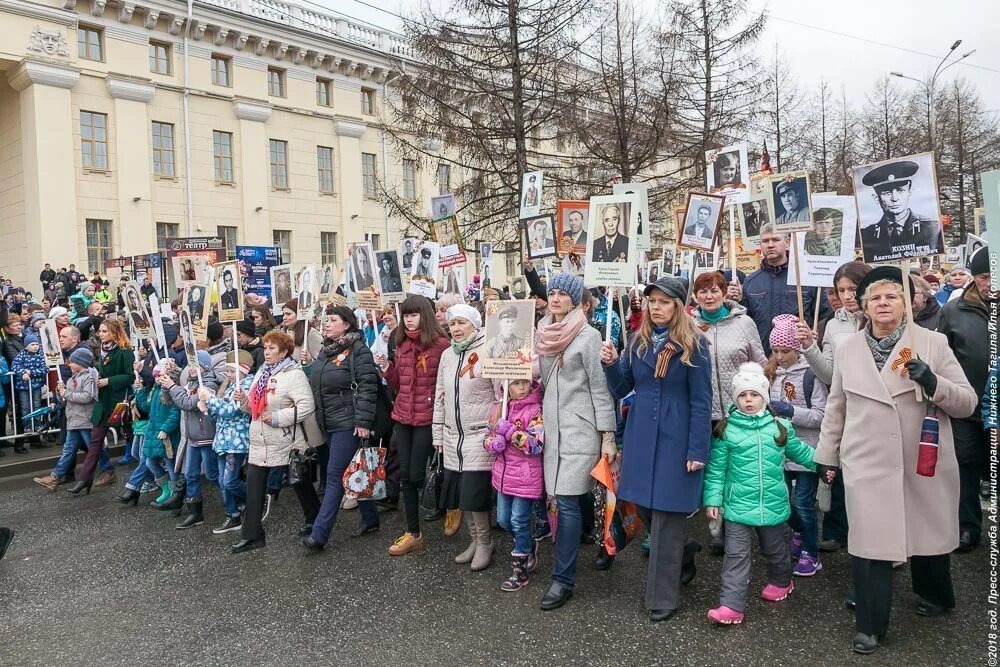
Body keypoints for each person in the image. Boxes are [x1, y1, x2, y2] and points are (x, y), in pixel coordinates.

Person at [814, 266, 977, 654]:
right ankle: (870, 625)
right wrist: (826, 454)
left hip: (923, 458)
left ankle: (935, 596)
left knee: (928, 534)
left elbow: (967, 401)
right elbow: (837, 405)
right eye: (875, 298)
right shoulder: (849, 347)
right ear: (865, 308)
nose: (883, 303)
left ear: (907, 303)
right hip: (867, 460)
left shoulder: (933, 344)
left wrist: (933, 382)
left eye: (891, 296)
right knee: (870, 542)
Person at [600, 276, 712, 621]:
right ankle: (686, 549)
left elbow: (701, 401)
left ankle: (661, 598)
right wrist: (609, 364)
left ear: (678, 306)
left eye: (664, 302)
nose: (657, 307)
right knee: (647, 509)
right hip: (642, 435)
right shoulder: (637, 341)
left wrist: (697, 450)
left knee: (666, 517)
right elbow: (623, 388)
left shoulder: (695, 344)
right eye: (652, 301)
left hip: (677, 437)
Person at [702, 362, 817, 625]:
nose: (749, 400)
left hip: (772, 504)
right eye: (743, 395)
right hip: (737, 508)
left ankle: (781, 581)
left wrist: (825, 464)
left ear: (764, 397)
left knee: (775, 550)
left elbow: (800, 453)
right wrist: (712, 500)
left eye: (754, 395)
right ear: (736, 399)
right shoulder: (725, 431)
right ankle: (731, 606)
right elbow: (717, 470)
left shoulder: (779, 428)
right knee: (736, 556)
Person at [535, 273, 615, 610]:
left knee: (566, 501)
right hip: (552, 432)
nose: (554, 299)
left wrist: (608, 436)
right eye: (551, 293)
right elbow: (538, 379)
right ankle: (607, 539)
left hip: (581, 430)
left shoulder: (588, 336)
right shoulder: (541, 334)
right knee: (571, 498)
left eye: (561, 294)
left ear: (574, 299)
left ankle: (562, 579)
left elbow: (600, 388)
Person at [232, 330, 322, 553]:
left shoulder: (295, 374)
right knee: (254, 485)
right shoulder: (262, 372)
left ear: (284, 351)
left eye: (272, 348)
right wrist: (243, 401)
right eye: (265, 348)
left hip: (285, 439)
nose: (267, 352)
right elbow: (254, 407)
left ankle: (315, 520)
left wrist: (277, 418)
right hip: (260, 439)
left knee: (299, 481)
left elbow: (306, 406)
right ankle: (252, 534)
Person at [302, 307, 381, 550]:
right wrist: (309, 366)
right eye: (326, 320)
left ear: (347, 324)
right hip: (330, 420)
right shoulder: (327, 350)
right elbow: (321, 382)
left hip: (349, 421)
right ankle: (371, 518)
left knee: (335, 475)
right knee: (353, 469)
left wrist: (363, 422)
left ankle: (319, 534)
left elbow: (368, 387)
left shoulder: (358, 350)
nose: (326, 324)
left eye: (332, 320)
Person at [377, 296, 450, 555]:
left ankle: (451, 506)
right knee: (406, 476)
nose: (408, 319)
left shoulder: (441, 345)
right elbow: (399, 383)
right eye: (406, 314)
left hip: (428, 418)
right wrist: (387, 369)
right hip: (403, 417)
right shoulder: (401, 342)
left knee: (419, 475)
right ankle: (413, 532)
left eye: (413, 314)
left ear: (425, 316)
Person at [936, 246, 992, 553]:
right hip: (966, 408)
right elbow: (941, 355)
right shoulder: (953, 311)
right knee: (965, 466)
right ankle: (967, 527)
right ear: (974, 277)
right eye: (984, 276)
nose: (990, 283)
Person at [434, 304, 497, 571]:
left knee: (474, 494)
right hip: (452, 437)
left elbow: (500, 395)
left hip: (478, 435)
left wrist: (495, 430)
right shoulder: (448, 355)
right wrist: (438, 433)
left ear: (475, 324)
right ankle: (474, 540)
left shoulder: (488, 350)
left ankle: (485, 543)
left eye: (463, 323)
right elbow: (440, 396)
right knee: (462, 496)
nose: (457, 329)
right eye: (453, 323)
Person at [765, 314, 828, 577]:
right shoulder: (770, 374)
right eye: (776, 351)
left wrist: (791, 411)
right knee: (784, 503)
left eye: (786, 350)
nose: (780, 356)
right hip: (779, 450)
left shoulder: (811, 375)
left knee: (802, 503)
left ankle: (811, 553)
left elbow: (821, 416)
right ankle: (800, 532)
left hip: (805, 450)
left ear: (798, 348)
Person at [730, 225, 830, 355]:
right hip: (764, 357)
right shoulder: (751, 282)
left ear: (787, 242)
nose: (770, 245)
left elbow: (824, 314)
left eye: (776, 239)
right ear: (760, 244)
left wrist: (816, 333)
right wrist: (738, 301)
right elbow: (746, 322)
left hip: (801, 358)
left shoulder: (805, 278)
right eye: (765, 241)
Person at [485, 377, 544, 590]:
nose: (521, 387)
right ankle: (527, 544)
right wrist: (493, 443)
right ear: (505, 386)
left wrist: (510, 432)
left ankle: (520, 572)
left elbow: (536, 445)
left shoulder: (536, 411)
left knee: (519, 520)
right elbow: (487, 436)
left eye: (525, 383)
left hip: (525, 478)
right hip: (503, 477)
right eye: (516, 383)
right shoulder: (499, 409)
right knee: (503, 520)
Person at [65, 320, 135, 494]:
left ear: (114, 332)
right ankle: (84, 480)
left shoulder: (125, 352)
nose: (100, 334)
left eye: (104, 331)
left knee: (132, 437)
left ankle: (141, 481)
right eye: (99, 331)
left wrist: (109, 381)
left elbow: (129, 376)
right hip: (103, 403)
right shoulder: (102, 350)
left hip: (119, 403)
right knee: (95, 442)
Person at [692, 271, 767, 424]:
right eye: (703, 292)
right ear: (695, 296)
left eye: (714, 291)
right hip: (703, 413)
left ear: (724, 293)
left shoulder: (744, 323)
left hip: (741, 410)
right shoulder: (688, 327)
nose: (709, 297)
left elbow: (761, 365)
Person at [161, 350, 222, 529]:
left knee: (212, 475)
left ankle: (237, 499)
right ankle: (195, 513)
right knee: (190, 475)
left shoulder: (209, 384)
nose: (191, 368)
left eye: (196, 365)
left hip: (206, 436)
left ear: (204, 366)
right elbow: (169, 401)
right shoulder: (189, 383)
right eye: (190, 364)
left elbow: (188, 404)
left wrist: (172, 386)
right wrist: (166, 386)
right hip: (191, 436)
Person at [201, 351, 254, 534]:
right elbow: (218, 414)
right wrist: (206, 408)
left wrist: (210, 400)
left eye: (232, 371)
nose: (229, 375)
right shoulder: (228, 387)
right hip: (223, 440)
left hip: (236, 441)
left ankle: (255, 497)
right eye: (228, 371)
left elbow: (230, 410)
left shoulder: (245, 386)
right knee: (222, 481)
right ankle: (232, 514)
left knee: (230, 481)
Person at [32, 348, 99, 491]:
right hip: (73, 420)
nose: (69, 364)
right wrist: (59, 392)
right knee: (68, 449)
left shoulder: (89, 378)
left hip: (85, 420)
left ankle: (107, 469)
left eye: (72, 362)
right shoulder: (71, 379)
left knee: (94, 448)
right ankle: (55, 477)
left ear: (81, 363)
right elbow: (64, 399)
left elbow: (87, 397)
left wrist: (66, 393)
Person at [859, 160, 942, 261]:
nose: (894, 198)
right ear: (877, 198)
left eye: (900, 190)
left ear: (909, 193)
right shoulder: (867, 235)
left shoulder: (932, 229)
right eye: (887, 193)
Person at [12, 332, 47, 432]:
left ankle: (38, 425)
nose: (35, 346)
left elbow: (45, 368)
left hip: (36, 385)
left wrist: (31, 373)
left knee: (37, 406)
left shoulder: (41, 355)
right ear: (26, 346)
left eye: (37, 344)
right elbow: (15, 365)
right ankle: (27, 426)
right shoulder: (21, 354)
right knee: (25, 407)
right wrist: (23, 373)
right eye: (32, 344)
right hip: (22, 387)